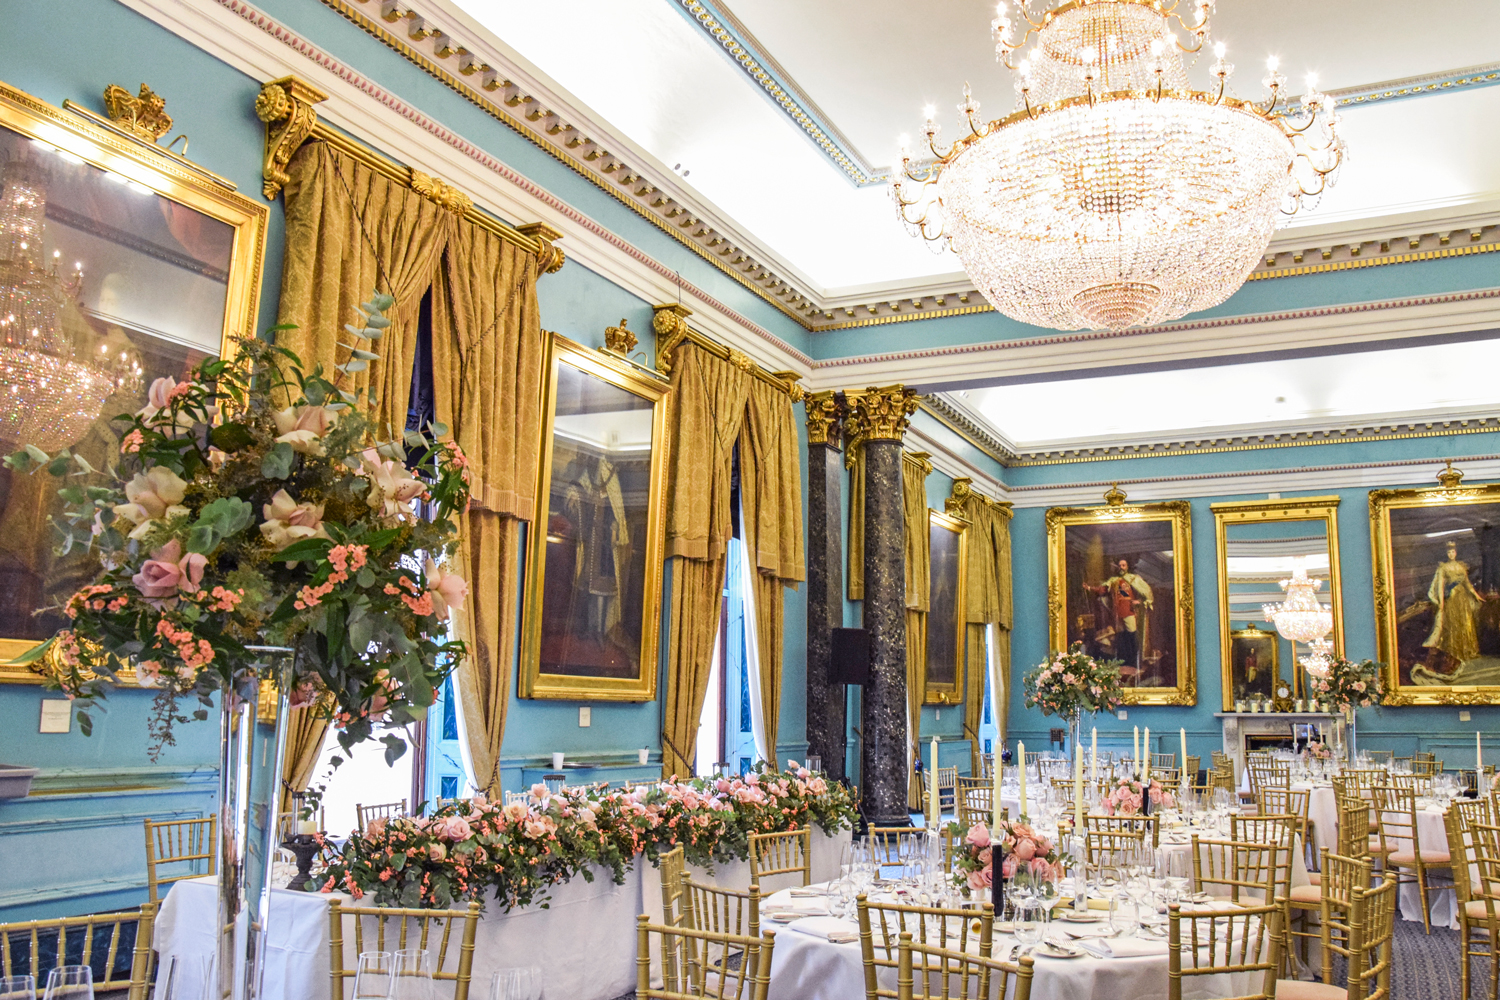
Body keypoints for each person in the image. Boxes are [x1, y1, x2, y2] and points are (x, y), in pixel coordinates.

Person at [1422, 538, 1482, 672]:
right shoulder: (1443, 567)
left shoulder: (1461, 566)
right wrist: (1441, 603)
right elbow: (1440, 587)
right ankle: (1454, 653)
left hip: (1463, 600)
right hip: (1451, 600)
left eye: (1453, 552)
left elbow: (1467, 584)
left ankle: (1467, 650)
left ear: (1456, 553)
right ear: (1446, 554)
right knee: (1452, 623)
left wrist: (1476, 595)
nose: (1451, 554)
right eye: (1449, 552)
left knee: (1464, 623)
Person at [1085, 557, 1153, 673]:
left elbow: (1146, 593)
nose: (1121, 568)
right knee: (1121, 636)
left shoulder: (1133, 579)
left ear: (1127, 567)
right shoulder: (1114, 580)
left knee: (1131, 634)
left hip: (1130, 610)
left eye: (1124, 565)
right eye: (1120, 565)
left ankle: (1132, 661)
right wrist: (1090, 588)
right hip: (1118, 612)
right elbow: (1103, 589)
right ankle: (1123, 661)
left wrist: (1140, 602)